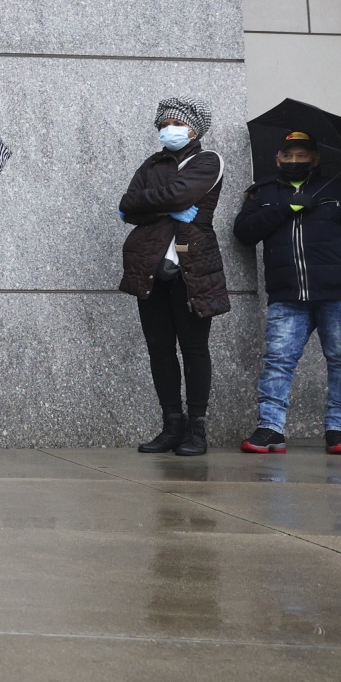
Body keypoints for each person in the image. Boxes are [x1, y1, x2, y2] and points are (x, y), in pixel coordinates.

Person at [233, 129, 341, 456]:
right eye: (289, 156)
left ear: (315, 159)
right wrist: (287, 207)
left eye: (302, 156)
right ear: (278, 159)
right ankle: (270, 427)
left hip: (338, 295)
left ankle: (338, 430)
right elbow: (243, 232)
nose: (295, 161)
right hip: (286, 297)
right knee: (278, 362)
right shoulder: (263, 192)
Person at [117, 98, 229, 458]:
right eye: (163, 123)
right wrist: (168, 207)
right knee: (159, 349)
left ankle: (196, 427)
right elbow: (126, 205)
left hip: (192, 267)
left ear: (194, 129)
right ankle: (171, 424)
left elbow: (180, 192)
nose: (169, 129)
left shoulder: (208, 160)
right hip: (149, 265)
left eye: (177, 123)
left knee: (194, 349)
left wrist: (153, 203)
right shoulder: (151, 163)